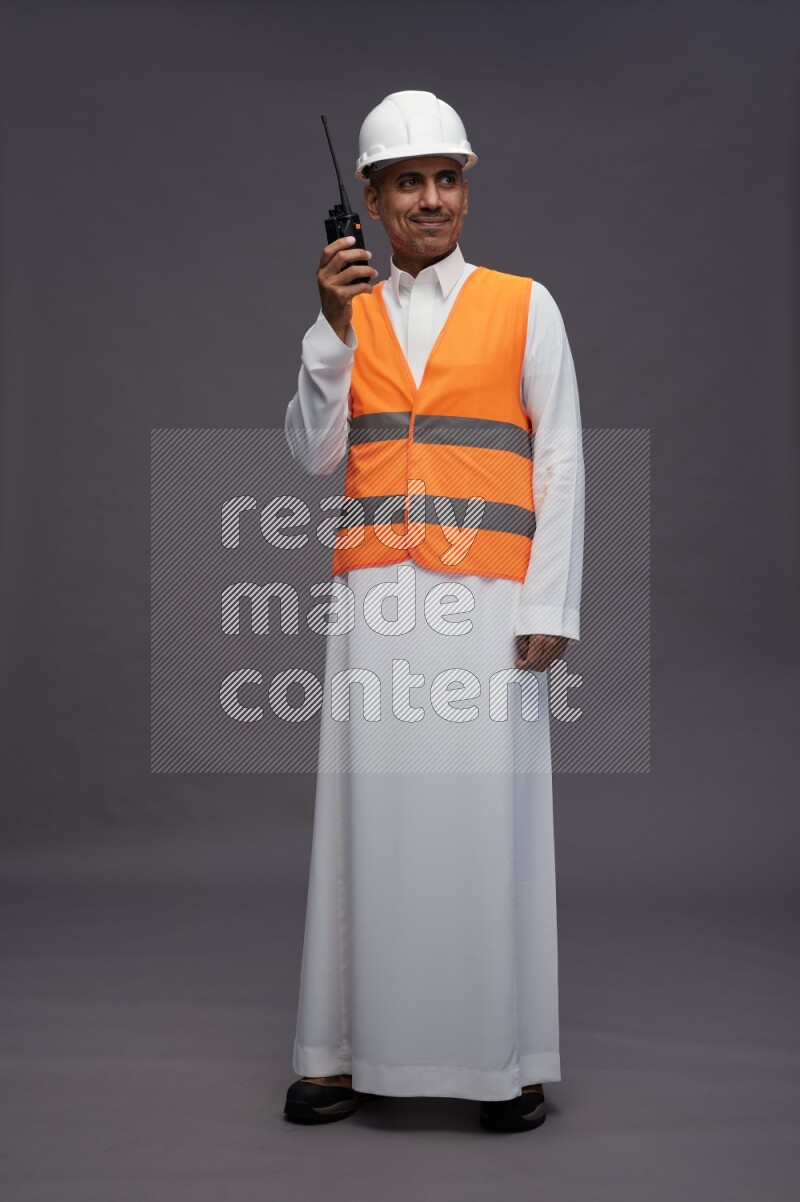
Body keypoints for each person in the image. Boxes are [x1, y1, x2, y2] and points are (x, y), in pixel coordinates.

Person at [282, 90, 585, 1133]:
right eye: (406, 181)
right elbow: (312, 452)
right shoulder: (345, 312)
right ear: (366, 201)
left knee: (486, 816)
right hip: (376, 597)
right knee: (365, 816)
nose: (430, 198)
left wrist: (551, 600)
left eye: (445, 178)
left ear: (464, 189)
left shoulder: (523, 303)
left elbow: (559, 458)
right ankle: (338, 1051)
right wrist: (327, 333)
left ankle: (504, 1056)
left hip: (490, 600)